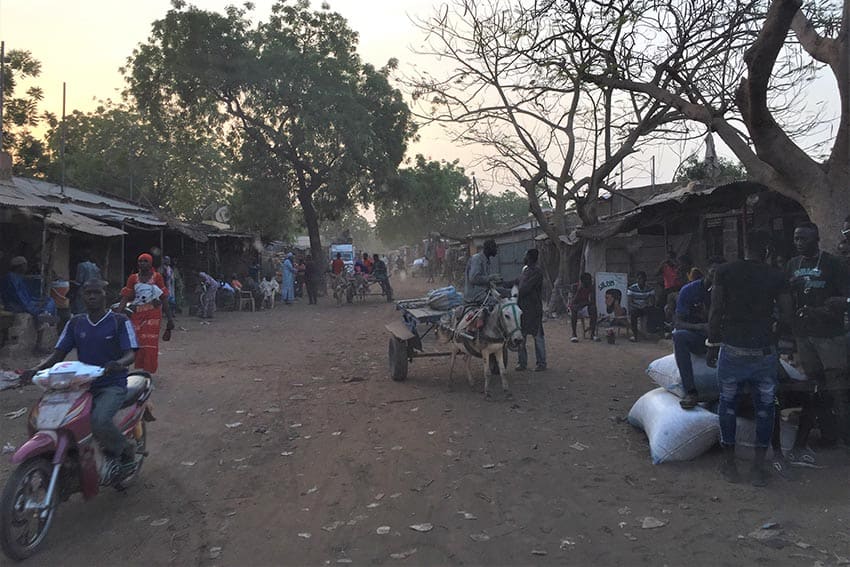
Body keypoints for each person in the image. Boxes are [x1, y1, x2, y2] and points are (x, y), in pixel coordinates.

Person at [24, 279, 140, 483]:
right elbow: (57, 355)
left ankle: (125, 450)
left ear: (106, 295)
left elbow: (130, 353)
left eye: (97, 292)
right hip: (80, 385)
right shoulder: (75, 323)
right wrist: (32, 371)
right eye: (88, 293)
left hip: (112, 384)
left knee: (99, 420)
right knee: (55, 419)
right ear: (82, 297)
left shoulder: (119, 321)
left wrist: (117, 364)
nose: (92, 296)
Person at [707, 231, 792, 486]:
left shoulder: (724, 272)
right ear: (767, 250)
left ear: (742, 248)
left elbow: (716, 311)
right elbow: (787, 314)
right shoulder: (777, 276)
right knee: (766, 409)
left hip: (732, 349)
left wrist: (713, 342)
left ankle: (729, 464)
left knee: (728, 405)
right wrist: (777, 332)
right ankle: (757, 468)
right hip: (763, 352)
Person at [786, 222, 849, 465]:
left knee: (838, 388)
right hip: (804, 336)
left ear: (816, 239)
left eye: (803, 238)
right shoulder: (792, 265)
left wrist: (826, 308)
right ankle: (828, 435)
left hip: (830, 335)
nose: (798, 242)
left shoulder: (834, 264)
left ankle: (846, 438)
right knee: (815, 386)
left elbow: (846, 298)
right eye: (796, 238)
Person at [673, 256, 725, 410]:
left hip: (723, 338)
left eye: (719, 274)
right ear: (706, 271)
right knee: (679, 336)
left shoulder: (730, 291)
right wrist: (700, 327)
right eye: (712, 273)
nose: (715, 277)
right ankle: (691, 391)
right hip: (699, 337)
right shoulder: (689, 291)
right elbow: (678, 322)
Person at [117, 253, 174, 374]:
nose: (142, 263)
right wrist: (116, 314)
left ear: (150, 263)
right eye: (140, 261)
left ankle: (147, 372)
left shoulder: (157, 277)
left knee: (149, 344)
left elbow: (163, 297)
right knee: (137, 343)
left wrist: (170, 319)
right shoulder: (133, 278)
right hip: (136, 314)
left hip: (153, 314)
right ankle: (140, 369)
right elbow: (125, 297)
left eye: (145, 261)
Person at [0, 256, 56, 352]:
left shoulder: (17, 277)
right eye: (24, 265)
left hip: (22, 302)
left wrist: (36, 301)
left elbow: (26, 295)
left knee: (48, 301)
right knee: (41, 311)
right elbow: (18, 297)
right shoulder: (10, 278)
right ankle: (39, 344)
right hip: (14, 305)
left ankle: (47, 319)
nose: (26, 268)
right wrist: (32, 307)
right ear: (19, 266)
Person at [514, 248, 546, 372]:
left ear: (530, 258)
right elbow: (516, 282)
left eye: (525, 256)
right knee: (521, 337)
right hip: (523, 310)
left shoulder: (537, 272)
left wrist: (513, 292)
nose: (524, 258)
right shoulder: (525, 271)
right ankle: (522, 363)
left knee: (537, 337)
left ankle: (541, 363)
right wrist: (503, 283)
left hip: (534, 310)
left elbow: (525, 288)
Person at [464, 239, 501, 304]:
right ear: (490, 248)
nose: (496, 250)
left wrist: (491, 283)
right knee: (499, 303)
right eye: (495, 247)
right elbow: (473, 278)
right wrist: (490, 278)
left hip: (483, 292)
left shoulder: (486, 260)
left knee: (505, 292)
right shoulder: (477, 259)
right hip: (475, 295)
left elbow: (483, 279)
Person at [568, 273, 599, 343]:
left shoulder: (591, 288)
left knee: (593, 309)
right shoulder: (576, 287)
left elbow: (592, 301)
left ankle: (592, 333)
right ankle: (574, 334)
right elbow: (573, 302)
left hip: (585, 307)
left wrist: (584, 303)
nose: (590, 282)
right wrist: (579, 291)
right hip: (577, 308)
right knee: (574, 310)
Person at [627, 271, 656, 342]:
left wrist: (646, 305)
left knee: (653, 311)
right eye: (638, 278)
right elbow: (630, 302)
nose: (639, 280)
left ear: (645, 279)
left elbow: (652, 302)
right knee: (633, 315)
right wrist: (637, 306)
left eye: (641, 278)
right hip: (636, 308)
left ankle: (651, 332)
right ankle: (635, 335)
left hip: (645, 307)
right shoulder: (631, 288)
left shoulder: (650, 288)